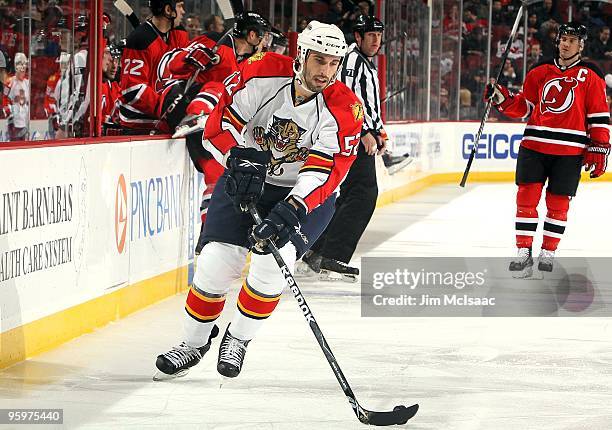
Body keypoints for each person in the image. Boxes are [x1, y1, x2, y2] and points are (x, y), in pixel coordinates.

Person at [153, 21, 363, 380]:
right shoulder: (261, 72)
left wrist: (293, 207)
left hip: (305, 195)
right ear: (301, 56)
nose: (325, 72)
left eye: (332, 63)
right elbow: (219, 125)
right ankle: (193, 343)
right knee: (216, 262)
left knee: (269, 268)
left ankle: (238, 338)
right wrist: (237, 157)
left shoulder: (345, 108)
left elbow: (326, 170)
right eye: (318, 61)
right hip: (247, 177)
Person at [485, 22, 610, 276]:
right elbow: (525, 107)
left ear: (581, 45)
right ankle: (523, 250)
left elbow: (598, 115)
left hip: (570, 150)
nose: (566, 44)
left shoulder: (591, 75)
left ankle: (548, 252)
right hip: (534, 145)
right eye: (564, 39)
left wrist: (599, 145)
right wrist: (504, 99)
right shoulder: (539, 71)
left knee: (558, 203)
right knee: (526, 198)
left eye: (572, 41)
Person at [301, 15, 407, 280]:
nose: (376, 40)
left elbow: (367, 104)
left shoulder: (365, 64)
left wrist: (377, 130)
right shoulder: (351, 61)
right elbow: (344, 98)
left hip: (359, 135)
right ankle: (332, 257)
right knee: (362, 194)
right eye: (370, 35)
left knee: (347, 195)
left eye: (379, 35)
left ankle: (316, 251)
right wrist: (362, 132)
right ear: (357, 37)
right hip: (350, 136)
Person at [158, 11, 271, 250]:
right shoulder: (213, 41)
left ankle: (207, 237)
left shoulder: (250, 62)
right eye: (262, 36)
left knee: (216, 175)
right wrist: (191, 58)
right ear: (252, 35)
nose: (264, 43)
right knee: (218, 87)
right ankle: (197, 116)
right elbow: (168, 67)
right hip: (181, 104)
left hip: (211, 125)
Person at [117, 0, 187, 133]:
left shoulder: (178, 34)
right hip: (138, 124)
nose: (183, 11)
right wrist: (166, 107)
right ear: (168, 10)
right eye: (179, 6)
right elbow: (132, 89)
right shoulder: (140, 39)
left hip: (166, 121)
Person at [4, 52, 30, 141]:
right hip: (14, 124)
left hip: (25, 122)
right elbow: (4, 99)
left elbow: (27, 102)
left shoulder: (27, 83)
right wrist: (9, 112)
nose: (22, 67)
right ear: (15, 66)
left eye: (24, 64)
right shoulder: (10, 82)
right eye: (20, 64)